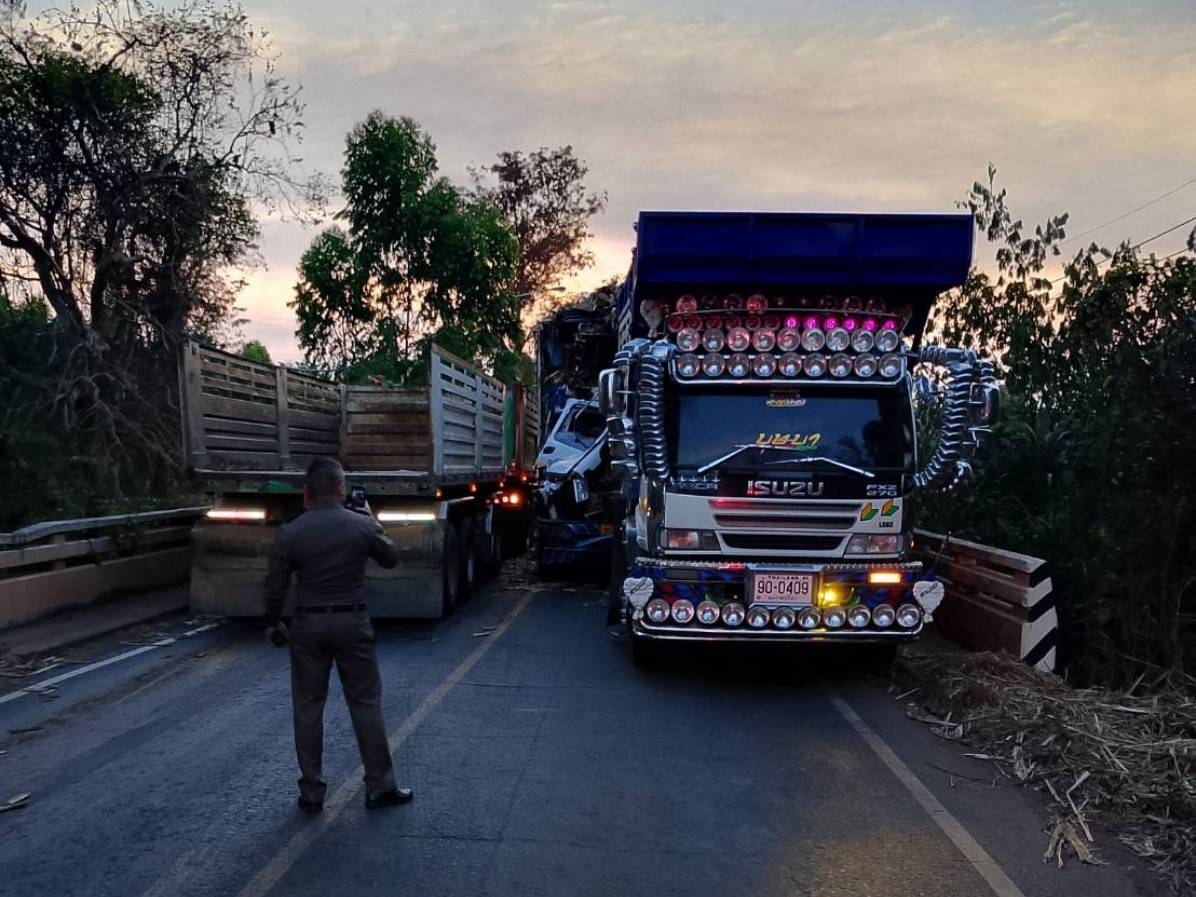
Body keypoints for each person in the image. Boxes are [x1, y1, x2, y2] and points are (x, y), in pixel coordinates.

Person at [264, 457, 414, 814]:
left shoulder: (291, 532)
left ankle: (312, 791)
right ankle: (380, 785)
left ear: (305, 493)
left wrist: (273, 622)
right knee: (365, 704)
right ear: (342, 489)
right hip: (352, 622)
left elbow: (275, 585)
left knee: (308, 707)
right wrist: (370, 517)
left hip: (307, 625)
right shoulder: (360, 525)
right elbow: (391, 557)